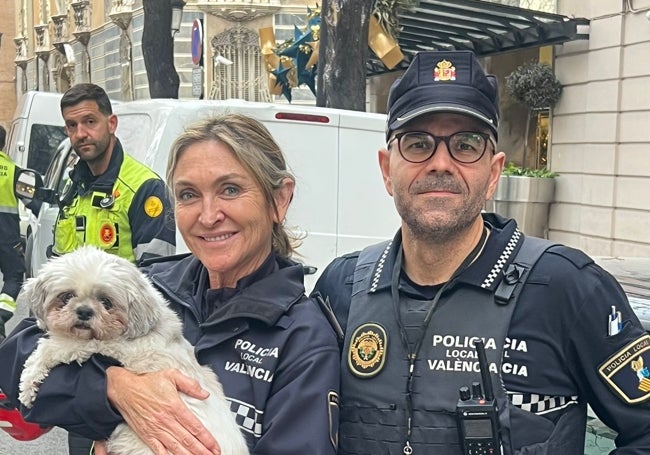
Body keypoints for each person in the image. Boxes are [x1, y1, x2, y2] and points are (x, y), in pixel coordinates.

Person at [311, 50, 650, 454]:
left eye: (466, 144)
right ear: (387, 169)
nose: (440, 163)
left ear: (493, 173)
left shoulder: (568, 288)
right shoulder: (341, 288)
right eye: (417, 144)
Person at [0, 114, 341, 455]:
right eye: (188, 194)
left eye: (231, 189)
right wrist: (114, 388)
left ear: (279, 199)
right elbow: (18, 356)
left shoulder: (303, 339)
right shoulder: (150, 286)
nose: (208, 216)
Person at [53, 83, 176, 454]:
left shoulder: (142, 188)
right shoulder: (75, 187)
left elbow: (159, 284)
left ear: (112, 122)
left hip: (124, 363)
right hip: (78, 362)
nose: (81, 134)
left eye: (89, 122)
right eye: (72, 126)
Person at [0, 126, 26, 342]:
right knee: (14, 276)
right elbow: (35, 200)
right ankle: (0, 316)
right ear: (4, 144)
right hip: (7, 234)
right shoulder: (14, 170)